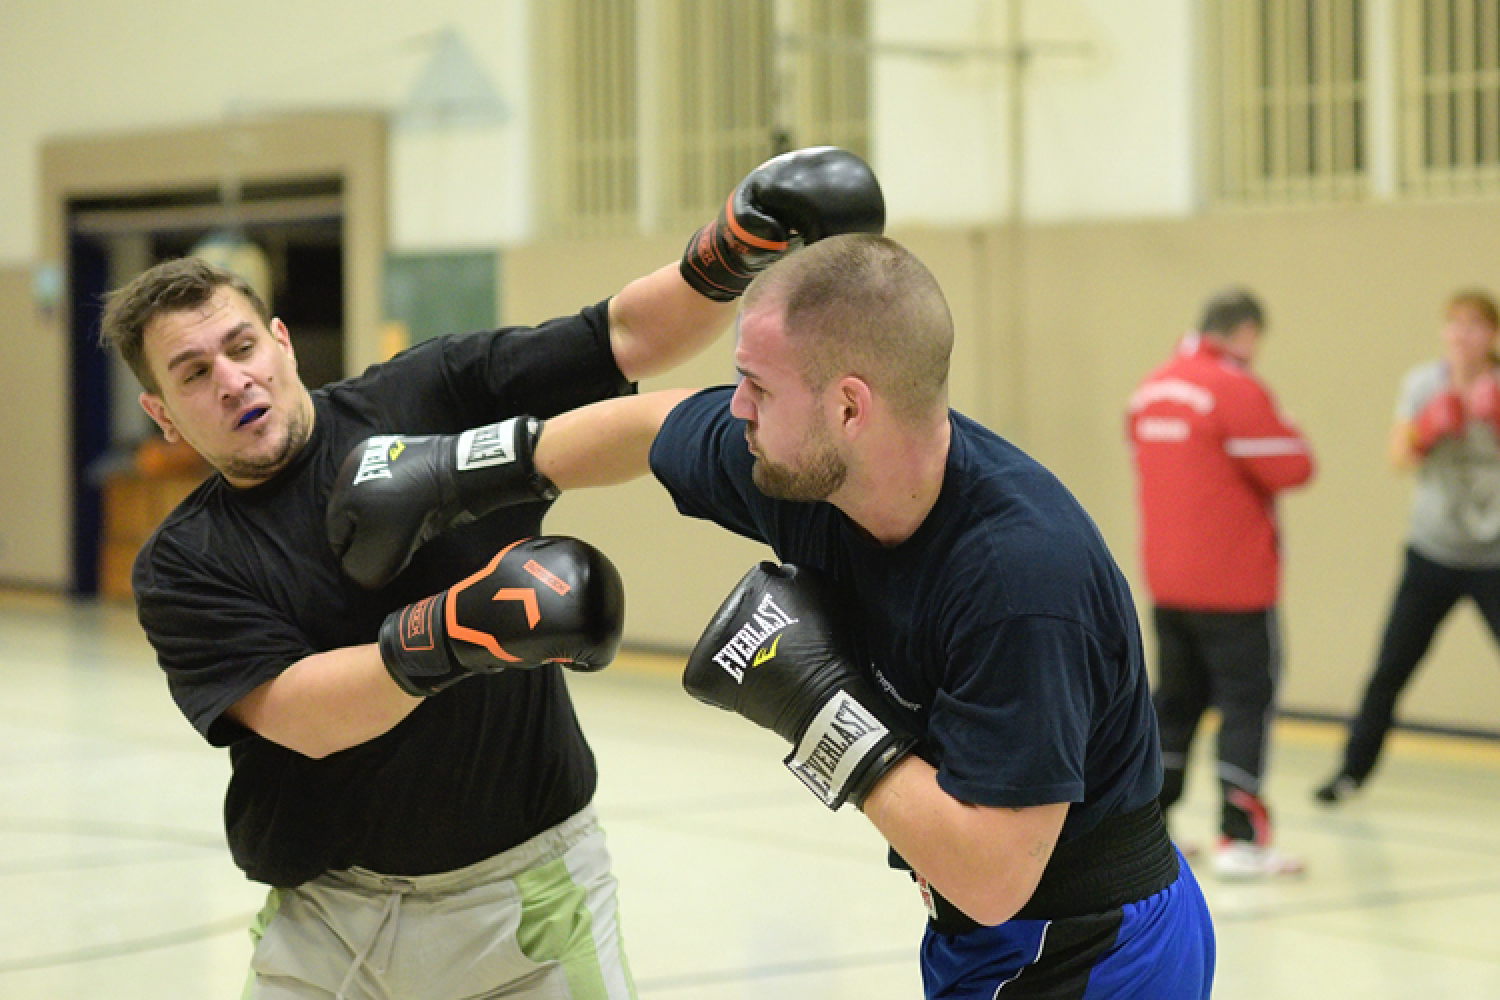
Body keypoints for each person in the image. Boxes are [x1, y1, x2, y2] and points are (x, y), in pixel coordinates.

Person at [330, 234, 1216, 998]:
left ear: (848, 406)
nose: (737, 408)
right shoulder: (807, 471)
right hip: (991, 933)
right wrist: (461, 472)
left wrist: (821, 710)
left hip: (1093, 947)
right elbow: (656, 422)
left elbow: (993, 875)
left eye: (755, 386)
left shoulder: (1019, 582)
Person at [97, 146, 884, 1000]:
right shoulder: (185, 562)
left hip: (529, 900)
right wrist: (461, 627)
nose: (233, 379)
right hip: (328, 925)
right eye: (194, 374)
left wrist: (732, 248)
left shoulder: (426, 394)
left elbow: (620, 338)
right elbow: (298, 714)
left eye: (241, 345)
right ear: (161, 414)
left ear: (281, 341)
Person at [1125, 288, 1315, 879]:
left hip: (1169, 584)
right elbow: (1295, 464)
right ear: (1246, 333)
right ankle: (1241, 837)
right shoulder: (1233, 387)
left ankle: (1150, 833)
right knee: (1245, 704)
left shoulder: (1149, 389)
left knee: (1174, 708)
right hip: (1234, 586)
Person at [1316, 290, 1500, 805]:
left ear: (1492, 335)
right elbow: (1398, 457)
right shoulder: (1423, 384)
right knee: (1391, 667)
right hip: (1432, 551)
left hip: (1493, 556)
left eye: (1475, 326)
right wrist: (1428, 428)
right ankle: (1352, 772)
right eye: (1455, 325)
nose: (1463, 336)